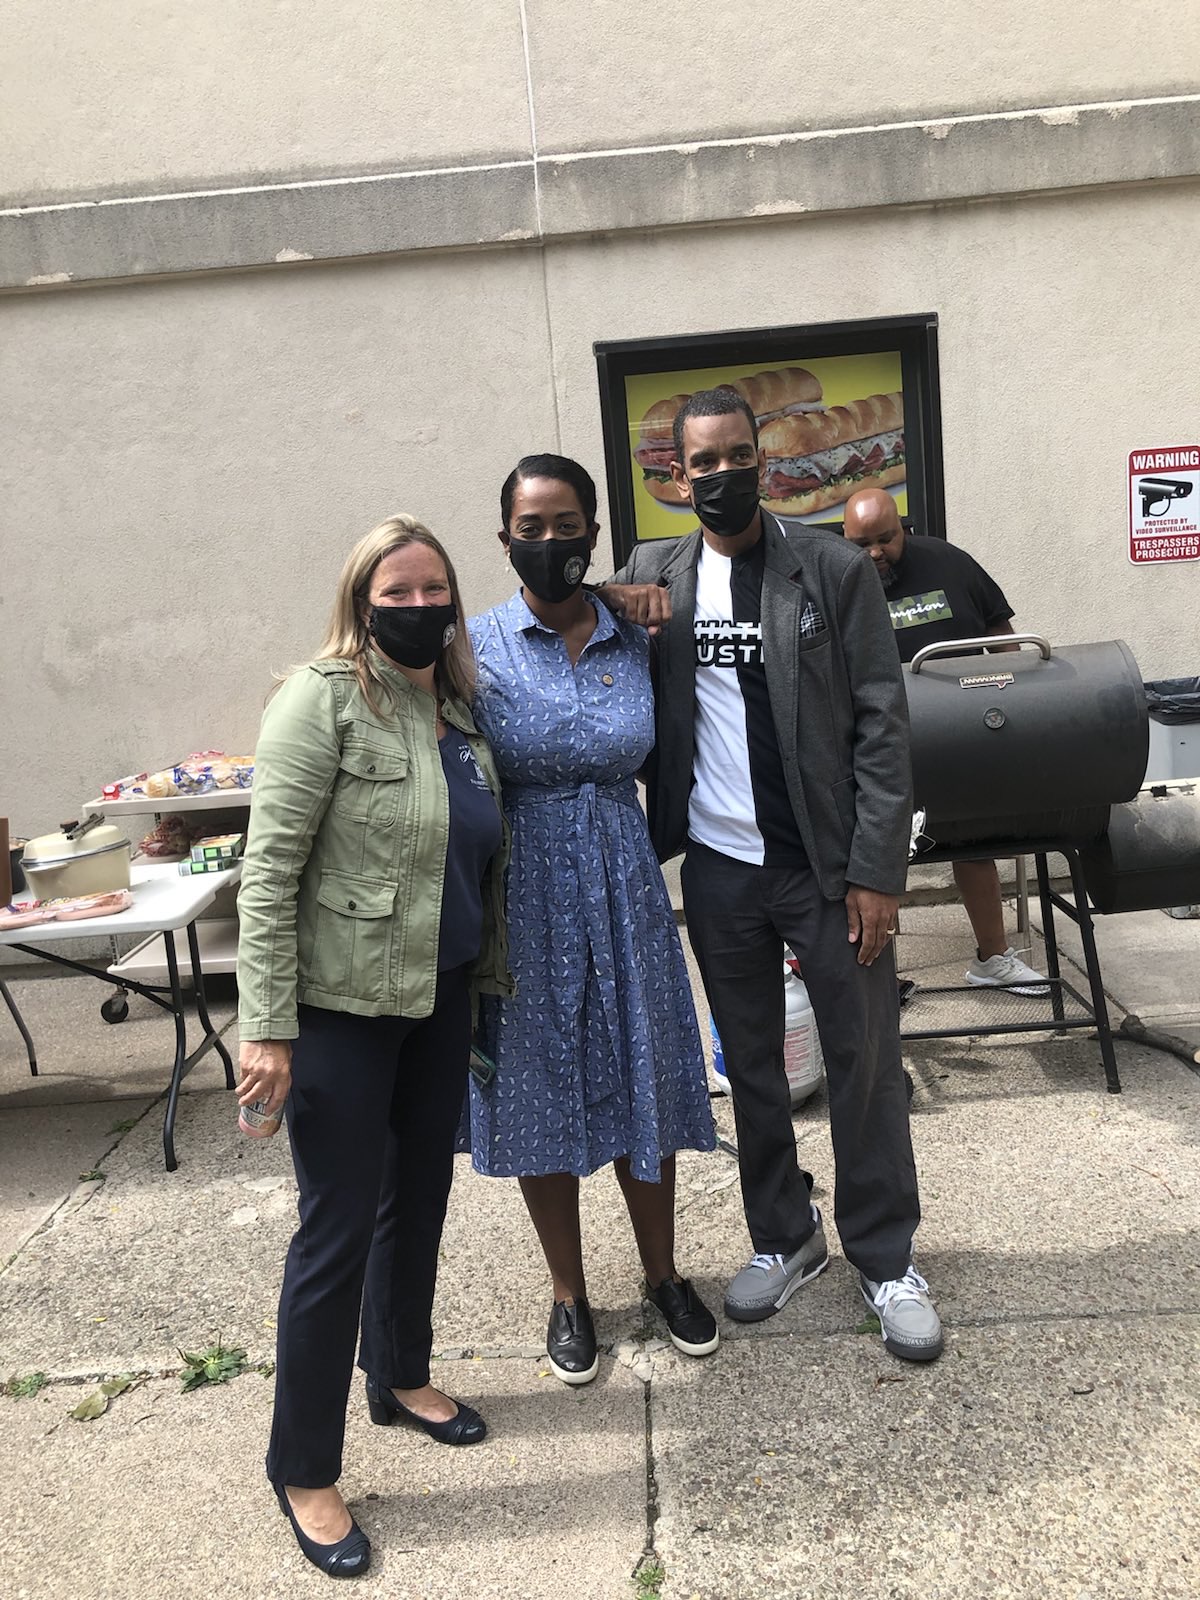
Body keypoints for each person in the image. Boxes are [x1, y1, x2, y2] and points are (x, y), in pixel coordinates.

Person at [600, 389, 942, 1364]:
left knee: (863, 1061)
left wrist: (878, 870)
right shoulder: (654, 576)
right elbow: (577, 625)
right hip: (720, 872)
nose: (721, 475)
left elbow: (883, 725)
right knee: (751, 1068)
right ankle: (786, 1234)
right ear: (675, 478)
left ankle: (886, 1256)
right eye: (701, 462)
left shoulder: (830, 568)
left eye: (736, 456)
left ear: (766, 460)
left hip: (825, 871)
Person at [236, 515, 511, 1578]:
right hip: (340, 1010)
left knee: (419, 1201)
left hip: (437, 998)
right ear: (362, 602)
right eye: (397, 591)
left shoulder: (458, 712)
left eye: (434, 589)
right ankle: (303, 1468)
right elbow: (270, 871)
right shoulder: (324, 700)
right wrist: (268, 1027)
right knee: (336, 1232)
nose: (419, 606)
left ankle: (399, 1373)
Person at [461, 453, 718, 1387]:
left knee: (643, 1066)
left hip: (623, 879)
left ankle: (663, 1274)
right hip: (523, 890)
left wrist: (616, 594)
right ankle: (568, 1293)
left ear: (594, 533)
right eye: (531, 529)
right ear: (504, 541)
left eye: (566, 527)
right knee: (539, 1081)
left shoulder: (637, 635)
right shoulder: (474, 647)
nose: (549, 543)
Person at [841, 488, 1047, 994]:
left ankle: (992, 959)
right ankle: (877, 980)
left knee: (972, 844)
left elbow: (1002, 635)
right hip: (873, 741)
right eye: (862, 543)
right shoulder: (836, 577)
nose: (875, 553)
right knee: (872, 860)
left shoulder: (949, 563)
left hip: (961, 732)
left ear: (903, 528)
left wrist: (1020, 700)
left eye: (886, 539)